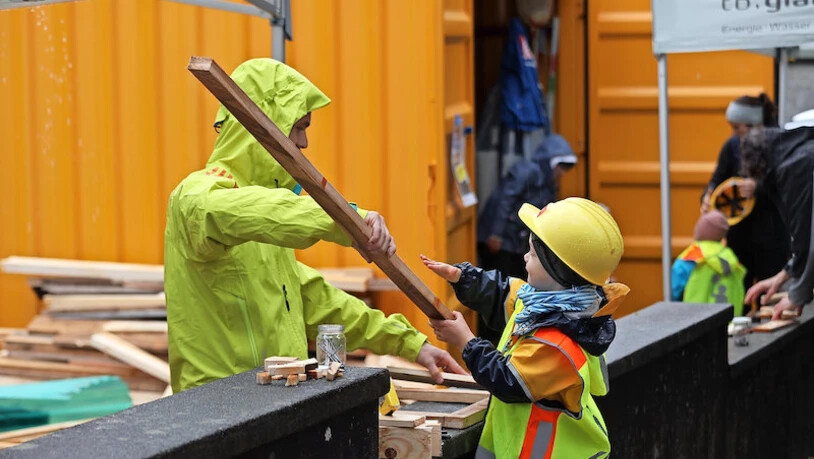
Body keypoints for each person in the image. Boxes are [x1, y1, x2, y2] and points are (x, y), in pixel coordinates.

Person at [164, 58, 464, 392]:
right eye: (299, 126)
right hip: (214, 414)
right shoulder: (195, 199)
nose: (304, 143)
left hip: (271, 406)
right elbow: (253, 211)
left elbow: (317, 302)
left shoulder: (267, 229)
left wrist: (411, 345)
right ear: (269, 126)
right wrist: (347, 220)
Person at [421, 197, 629, 458]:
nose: (524, 256)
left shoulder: (557, 347)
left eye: (532, 252)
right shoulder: (547, 305)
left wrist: (466, 341)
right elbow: (502, 295)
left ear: (558, 269)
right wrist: (465, 278)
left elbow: (509, 381)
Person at [700, 94, 790, 290]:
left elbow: (788, 185)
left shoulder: (780, 145)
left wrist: (758, 188)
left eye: (736, 127)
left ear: (753, 126)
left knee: (771, 293)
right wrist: (708, 195)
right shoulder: (731, 146)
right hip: (739, 238)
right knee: (740, 291)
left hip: (772, 238)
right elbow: (718, 178)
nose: (734, 133)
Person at [477, 134, 577, 279]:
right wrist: (495, 235)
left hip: (515, 243)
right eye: (561, 166)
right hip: (504, 239)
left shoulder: (548, 182)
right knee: (502, 281)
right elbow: (505, 201)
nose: (562, 172)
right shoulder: (528, 172)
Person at [740, 126, 814, 320]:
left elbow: (807, 236)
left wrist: (798, 294)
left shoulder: (795, 167)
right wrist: (783, 277)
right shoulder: (798, 150)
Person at [671, 211, 747, 315]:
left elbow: (673, 291)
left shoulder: (692, 256)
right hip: (728, 325)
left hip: (694, 324)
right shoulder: (731, 258)